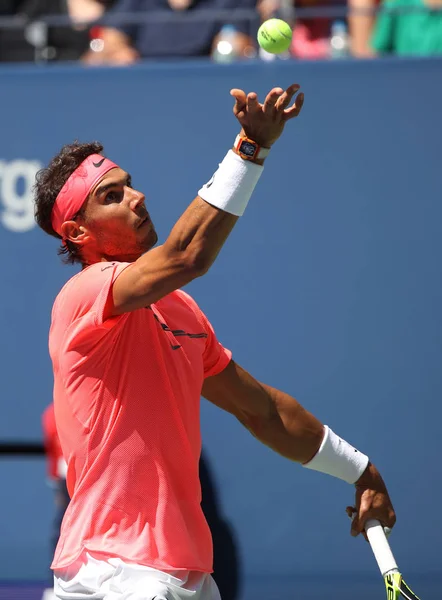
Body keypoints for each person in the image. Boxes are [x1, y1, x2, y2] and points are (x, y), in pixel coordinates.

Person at [34, 83, 396, 600]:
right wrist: (250, 148)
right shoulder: (83, 295)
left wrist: (361, 470)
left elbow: (264, 412)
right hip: (110, 573)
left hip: (188, 575)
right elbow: (188, 256)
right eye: (111, 197)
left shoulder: (180, 311)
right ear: (77, 233)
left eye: (129, 185)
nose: (136, 198)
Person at [91, 0, 258, 63]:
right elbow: (110, 40)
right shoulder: (137, 3)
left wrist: (228, 49)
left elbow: (235, 45)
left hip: (205, 88)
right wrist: (118, 53)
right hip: (146, 91)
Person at [41, 404, 70, 600]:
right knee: (61, 529)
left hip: (92, 473)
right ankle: (58, 582)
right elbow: (53, 448)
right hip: (67, 476)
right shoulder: (52, 413)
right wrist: (54, 479)